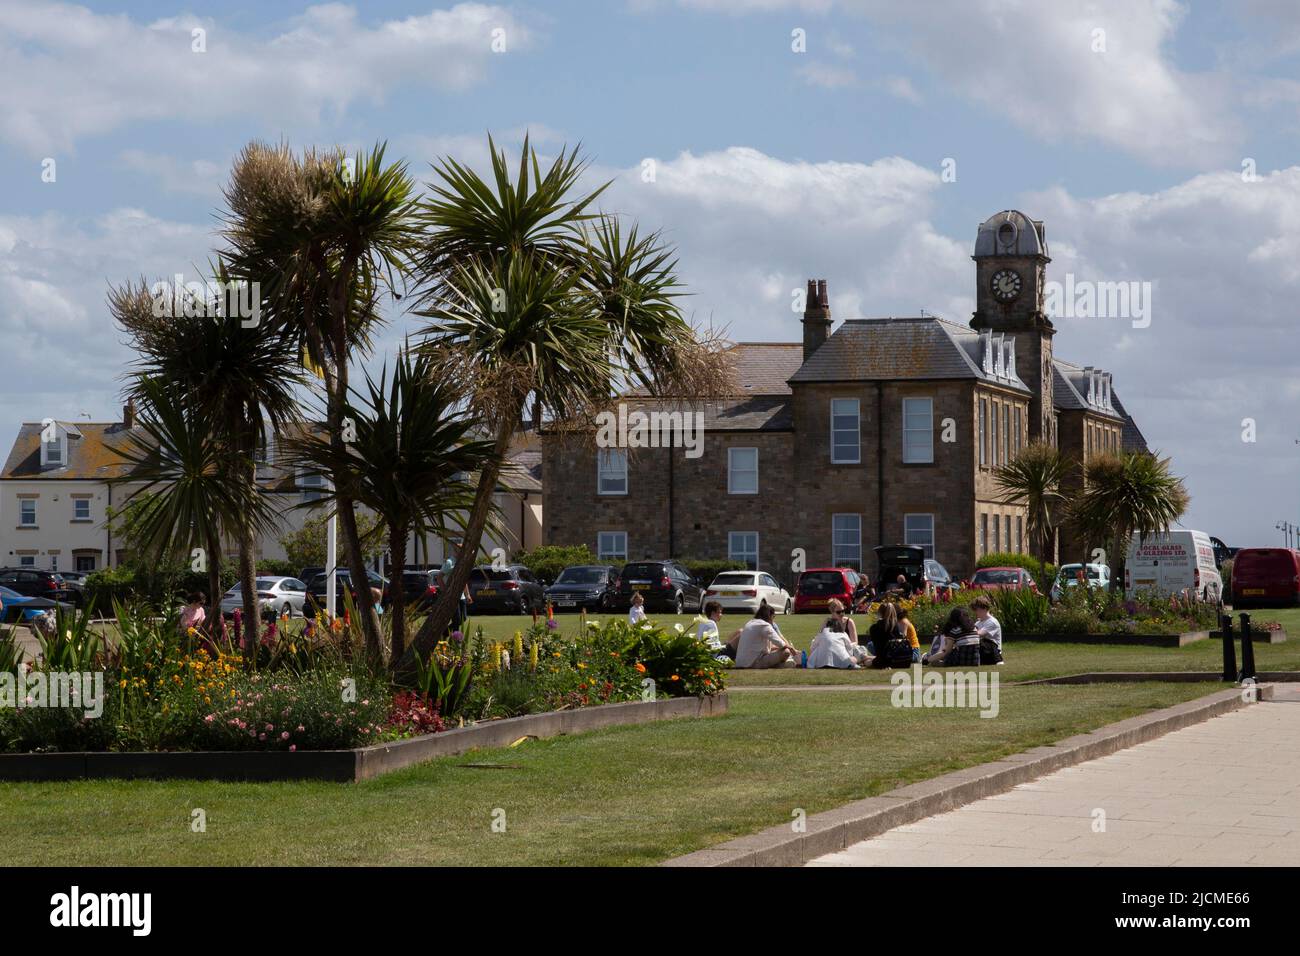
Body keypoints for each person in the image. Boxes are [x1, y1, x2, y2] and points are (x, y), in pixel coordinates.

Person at [807, 598, 869, 668]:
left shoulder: (849, 622)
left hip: (849, 649)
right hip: (835, 651)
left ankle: (867, 660)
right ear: (832, 612)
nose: (842, 614)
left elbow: (855, 642)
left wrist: (843, 646)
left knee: (859, 652)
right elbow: (820, 638)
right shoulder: (827, 622)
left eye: (843, 611)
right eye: (839, 612)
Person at [734, 602, 798, 668]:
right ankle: (782, 665)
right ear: (769, 616)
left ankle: (782, 664)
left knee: (781, 650)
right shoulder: (764, 625)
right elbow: (780, 643)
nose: (773, 620)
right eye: (773, 617)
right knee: (786, 652)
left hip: (740, 662)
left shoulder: (750, 623)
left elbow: (768, 647)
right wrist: (792, 649)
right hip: (752, 663)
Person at [866, 601, 913, 669]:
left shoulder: (874, 628)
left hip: (883, 661)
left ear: (879, 613)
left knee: (866, 662)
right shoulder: (895, 627)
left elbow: (877, 647)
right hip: (898, 659)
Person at [971, 595, 1004, 664]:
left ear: (984, 608)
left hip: (992, 651)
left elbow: (978, 634)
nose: (975, 612)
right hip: (983, 649)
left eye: (976, 609)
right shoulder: (978, 622)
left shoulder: (992, 622)